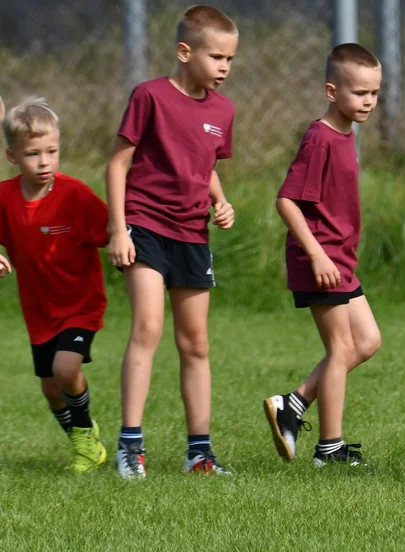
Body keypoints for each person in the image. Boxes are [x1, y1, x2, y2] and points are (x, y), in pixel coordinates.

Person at [105, 5, 238, 479]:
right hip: (144, 226)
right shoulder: (150, 96)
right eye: (217, 57)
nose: (224, 67)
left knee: (196, 343)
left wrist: (220, 202)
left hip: (191, 235)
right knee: (148, 328)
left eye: (230, 60)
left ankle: (199, 453)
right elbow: (118, 164)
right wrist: (118, 229)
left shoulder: (223, 110)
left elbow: (206, 166)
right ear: (185, 52)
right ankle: (130, 448)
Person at [262, 44, 383, 467]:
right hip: (322, 260)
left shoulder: (346, 134)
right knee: (341, 347)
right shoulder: (320, 139)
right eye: (359, 93)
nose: (368, 101)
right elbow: (287, 201)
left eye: (374, 93)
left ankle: (293, 405)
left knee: (367, 341)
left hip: (340, 260)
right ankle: (329, 448)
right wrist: (316, 254)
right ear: (332, 91)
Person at [0, 96, 109, 471]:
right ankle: (86, 437)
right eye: (33, 154)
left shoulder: (75, 195)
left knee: (65, 370)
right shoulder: (5, 197)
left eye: (52, 151)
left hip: (80, 304)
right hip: (39, 310)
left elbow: (112, 231)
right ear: (12, 156)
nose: (44, 161)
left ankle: (84, 441)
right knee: (50, 389)